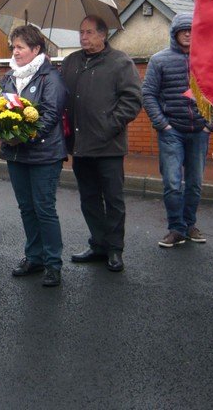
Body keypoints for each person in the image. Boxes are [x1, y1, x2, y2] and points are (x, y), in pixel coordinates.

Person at [62, 16, 142, 273]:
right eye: (81, 32)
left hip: (108, 146)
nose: (83, 37)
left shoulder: (120, 62)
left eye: (88, 33)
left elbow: (131, 101)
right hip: (80, 145)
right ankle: (98, 244)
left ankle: (115, 249)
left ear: (103, 35)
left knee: (114, 199)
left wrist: (108, 126)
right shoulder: (71, 62)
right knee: (89, 198)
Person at [0, 25, 67, 287]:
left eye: (20, 47)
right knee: (27, 208)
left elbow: (51, 115)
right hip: (15, 155)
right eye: (13, 47)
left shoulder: (50, 78)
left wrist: (27, 136)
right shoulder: (10, 77)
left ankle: (53, 264)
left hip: (44, 154)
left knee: (44, 208)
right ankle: (34, 257)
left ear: (36, 49)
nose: (15, 52)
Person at [142, 13, 212, 247]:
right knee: (172, 183)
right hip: (171, 131)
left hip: (199, 131)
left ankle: (189, 224)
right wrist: (163, 124)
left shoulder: (207, 59)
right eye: (183, 30)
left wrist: (209, 125)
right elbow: (148, 94)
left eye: (192, 30)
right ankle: (176, 228)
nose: (188, 34)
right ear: (174, 33)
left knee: (195, 183)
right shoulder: (159, 60)